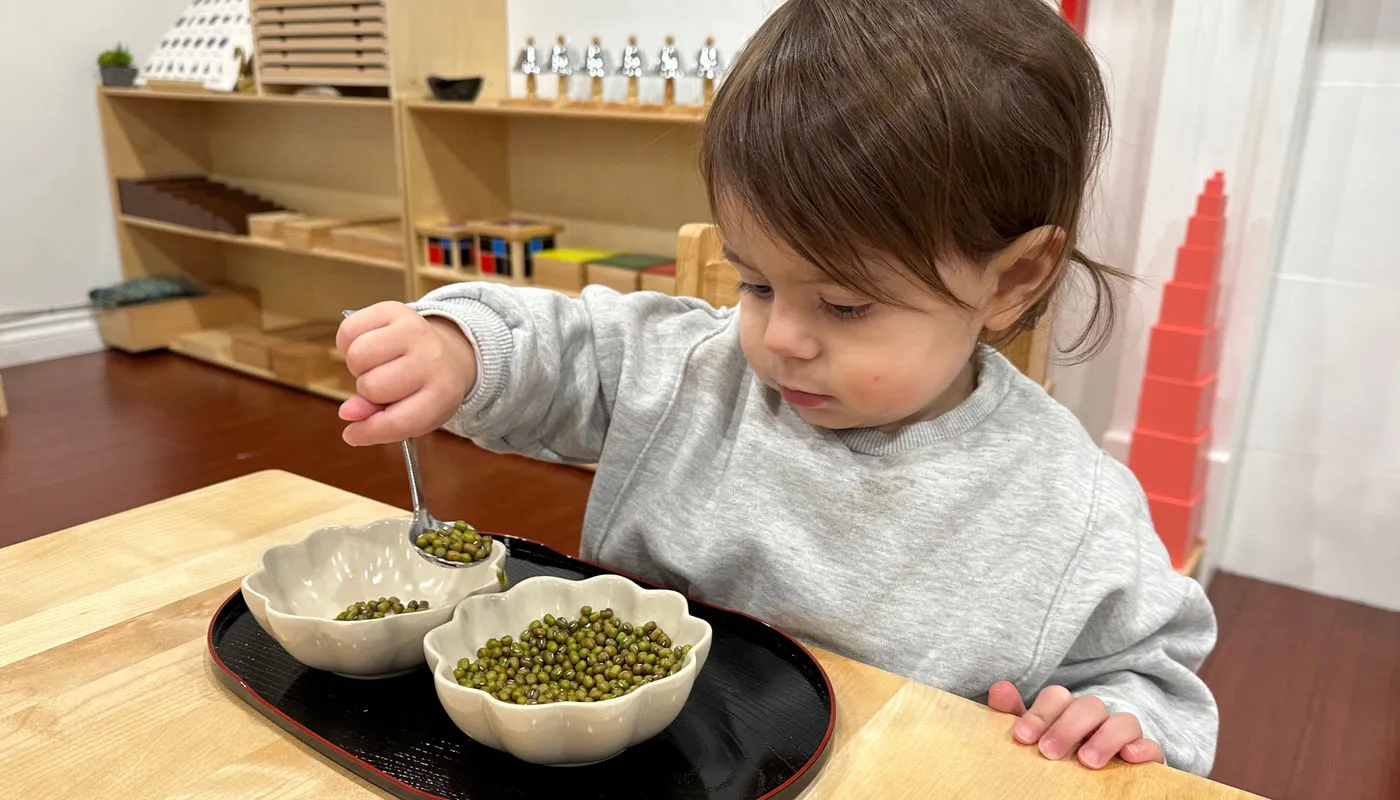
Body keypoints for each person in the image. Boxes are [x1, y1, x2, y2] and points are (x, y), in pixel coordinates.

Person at [335, 0, 1219, 777]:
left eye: (845, 304)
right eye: (755, 282)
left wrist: (1118, 715)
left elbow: (1158, 676)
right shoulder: (694, 369)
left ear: (1015, 278)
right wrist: (460, 348)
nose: (778, 338)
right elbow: (567, 350)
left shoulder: (1070, 503)